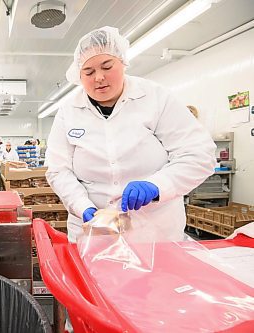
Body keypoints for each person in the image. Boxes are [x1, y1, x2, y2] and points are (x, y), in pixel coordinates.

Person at [45, 26, 216, 243]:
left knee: (157, 277)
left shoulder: (155, 98)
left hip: (154, 234)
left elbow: (200, 154)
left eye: (107, 66)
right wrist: (83, 206)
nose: (99, 77)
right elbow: (58, 170)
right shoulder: (68, 111)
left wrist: (157, 185)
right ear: (79, 75)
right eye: (88, 72)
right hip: (94, 232)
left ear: (123, 63)